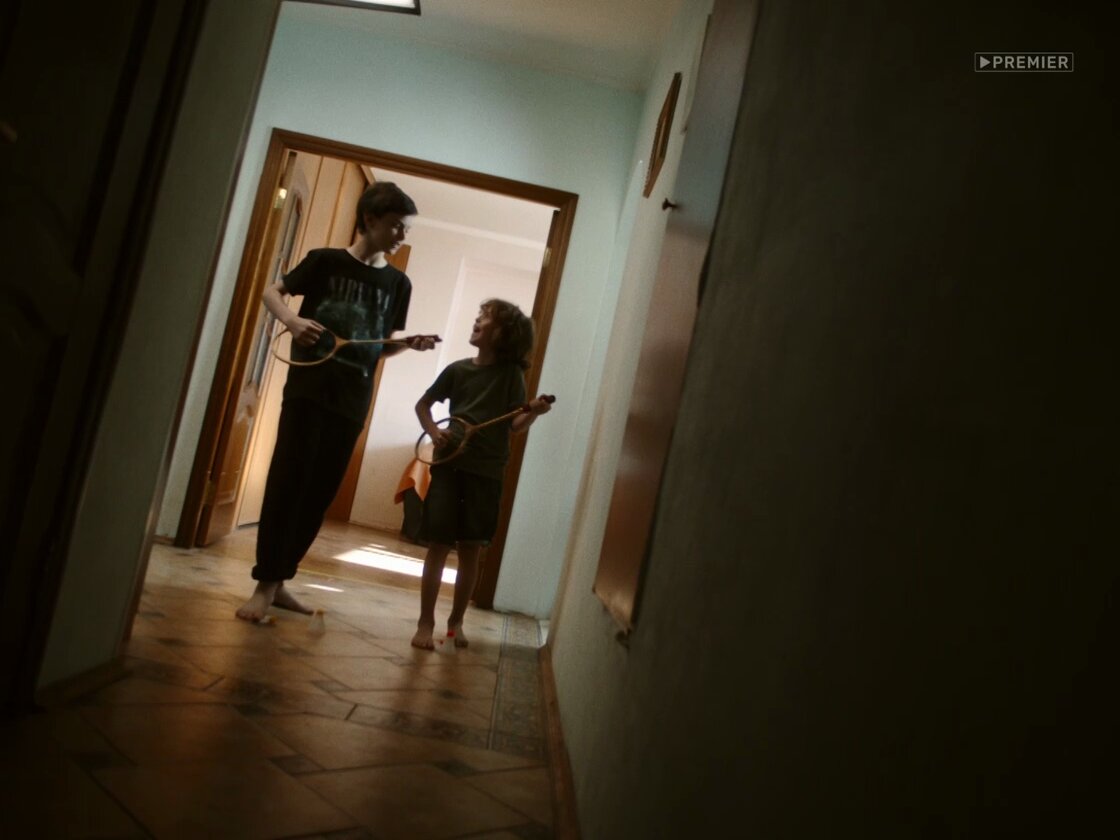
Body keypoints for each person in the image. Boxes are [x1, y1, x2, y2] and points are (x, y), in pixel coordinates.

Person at [236, 181, 437, 622]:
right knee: (287, 484)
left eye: (406, 228)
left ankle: (279, 582)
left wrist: (409, 345)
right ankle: (264, 585)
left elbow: (379, 347)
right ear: (370, 219)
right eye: (396, 226)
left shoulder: (398, 283)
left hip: (351, 403)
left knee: (317, 495)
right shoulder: (325, 261)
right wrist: (292, 321)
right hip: (307, 393)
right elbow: (272, 292)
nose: (402, 235)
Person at [411, 299, 552, 649]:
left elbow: (515, 424)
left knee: (471, 548)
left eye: (486, 317)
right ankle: (425, 622)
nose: (478, 319)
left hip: (486, 474)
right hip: (449, 466)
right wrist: (434, 431)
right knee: (438, 545)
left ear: (504, 333)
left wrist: (534, 412)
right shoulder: (457, 370)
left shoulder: (511, 376)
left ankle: (455, 624)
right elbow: (423, 405)